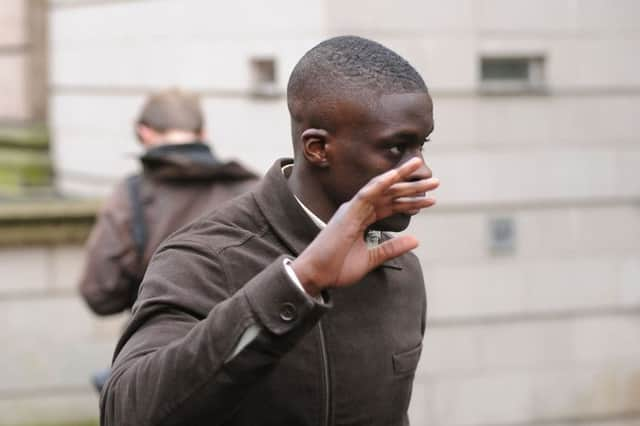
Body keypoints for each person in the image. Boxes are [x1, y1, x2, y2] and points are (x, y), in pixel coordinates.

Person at [101, 36, 439, 426]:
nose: (422, 170)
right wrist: (299, 282)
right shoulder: (205, 258)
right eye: (397, 148)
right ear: (317, 149)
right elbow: (125, 414)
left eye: (422, 145)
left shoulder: (401, 271)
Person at [78, 89, 258, 390]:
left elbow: (99, 292)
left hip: (160, 370)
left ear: (143, 132)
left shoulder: (132, 197)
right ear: (202, 133)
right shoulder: (254, 190)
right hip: (250, 362)